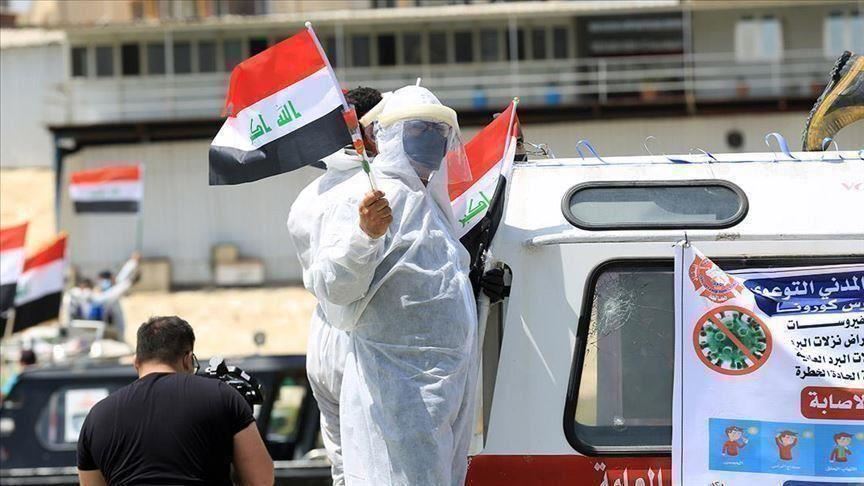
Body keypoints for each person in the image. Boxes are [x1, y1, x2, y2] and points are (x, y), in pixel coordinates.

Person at [295, 85, 478, 485]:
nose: (430, 141)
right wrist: (366, 234)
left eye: (438, 131)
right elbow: (332, 285)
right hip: (397, 384)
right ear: (391, 135)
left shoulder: (432, 201)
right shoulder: (366, 197)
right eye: (418, 130)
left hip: (447, 380)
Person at [287, 86, 383, 486]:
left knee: (344, 468)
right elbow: (346, 280)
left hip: (322, 340)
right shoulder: (374, 187)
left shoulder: (308, 196)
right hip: (361, 338)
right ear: (367, 128)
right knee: (379, 465)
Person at [76, 316, 273, 486]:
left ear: (136, 362)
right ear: (188, 359)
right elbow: (261, 481)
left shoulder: (97, 417)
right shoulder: (222, 396)